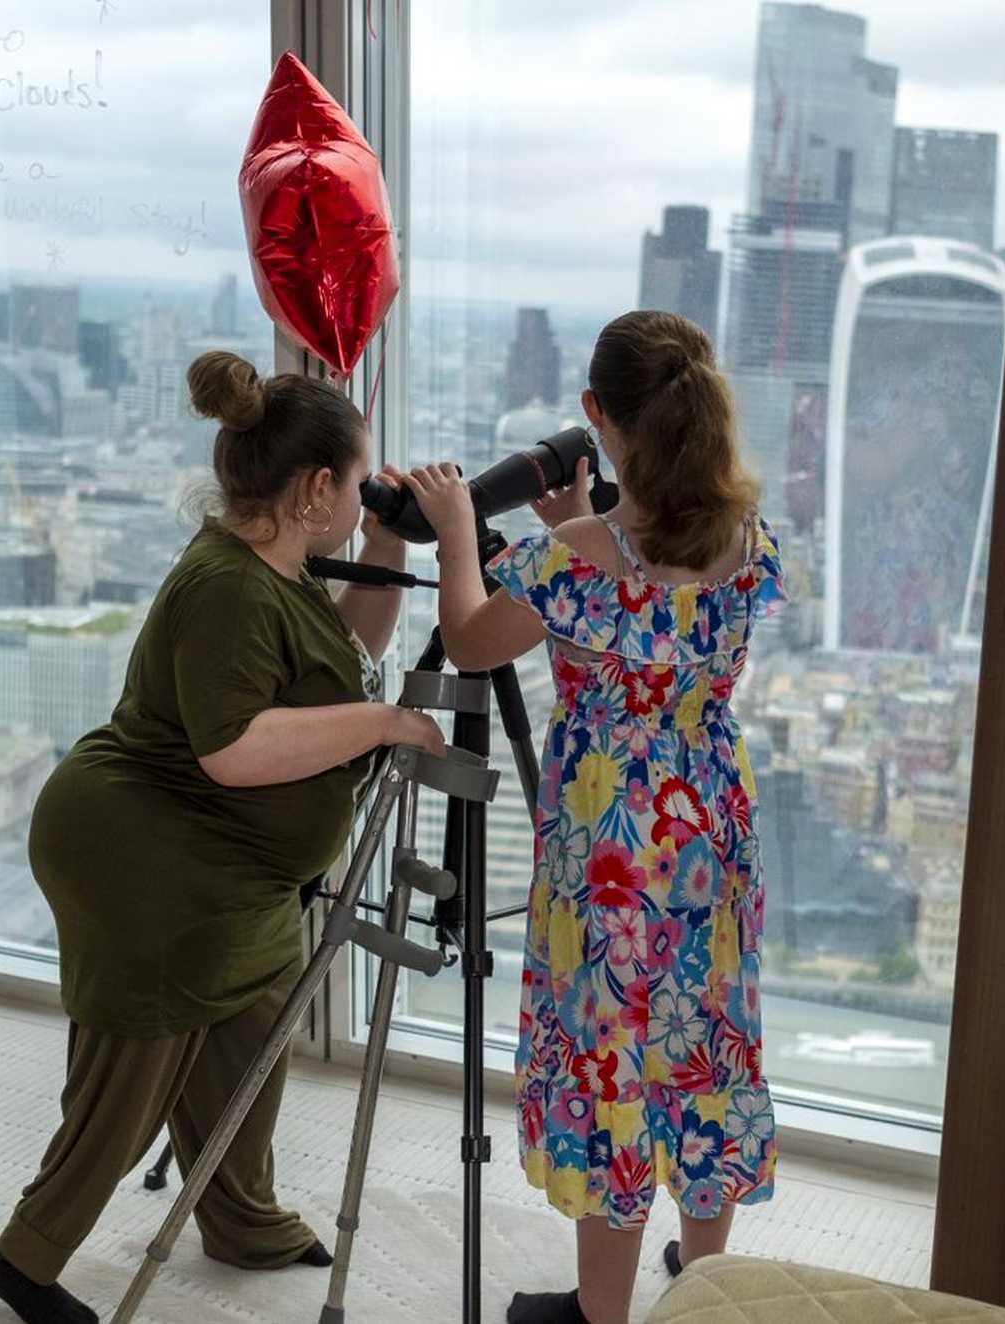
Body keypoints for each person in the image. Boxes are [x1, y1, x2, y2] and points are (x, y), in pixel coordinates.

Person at [0, 351, 445, 1324]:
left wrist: (390, 545)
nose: (363, 503)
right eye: (359, 487)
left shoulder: (283, 563)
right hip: (147, 855)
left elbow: (352, 656)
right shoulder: (228, 585)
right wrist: (385, 725)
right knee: (135, 1071)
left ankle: (239, 1215)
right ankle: (21, 1258)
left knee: (252, 1023)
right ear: (316, 488)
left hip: (228, 865)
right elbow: (233, 748)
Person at [399, 310, 786, 1324]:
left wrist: (454, 536)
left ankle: (601, 1314)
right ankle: (705, 1290)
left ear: (597, 417)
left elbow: (475, 638)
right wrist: (588, 513)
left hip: (611, 835)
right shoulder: (745, 535)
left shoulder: (577, 554)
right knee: (702, 1042)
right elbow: (658, 566)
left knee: (610, 1049)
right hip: (710, 823)